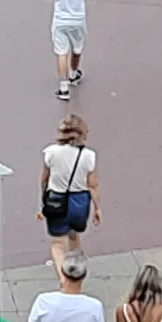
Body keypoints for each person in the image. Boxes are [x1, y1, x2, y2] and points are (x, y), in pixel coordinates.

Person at [39, 116, 101, 278]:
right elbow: (93, 185)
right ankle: (76, 269)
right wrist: (98, 208)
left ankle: (63, 278)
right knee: (74, 235)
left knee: (58, 243)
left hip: (56, 199)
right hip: (80, 200)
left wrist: (43, 202)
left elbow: (44, 179)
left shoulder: (50, 152)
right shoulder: (89, 156)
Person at [45, 0, 95, 101]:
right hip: (78, 18)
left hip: (61, 19)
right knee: (77, 48)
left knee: (61, 52)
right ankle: (74, 73)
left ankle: (63, 88)